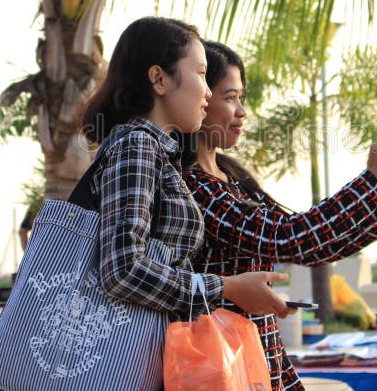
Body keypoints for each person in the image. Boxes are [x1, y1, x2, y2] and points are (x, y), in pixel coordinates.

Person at [179, 41, 377, 391]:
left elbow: (316, 246)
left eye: (241, 98)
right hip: (226, 367)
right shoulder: (195, 187)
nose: (242, 111)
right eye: (230, 97)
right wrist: (372, 180)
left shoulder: (232, 178)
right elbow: (290, 237)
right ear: (201, 97)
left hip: (263, 362)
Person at [79, 17, 289, 326]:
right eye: (202, 75)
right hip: (129, 360)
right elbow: (122, 271)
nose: (207, 92)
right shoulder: (138, 146)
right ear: (159, 80)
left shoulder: (158, 151)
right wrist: (227, 287)